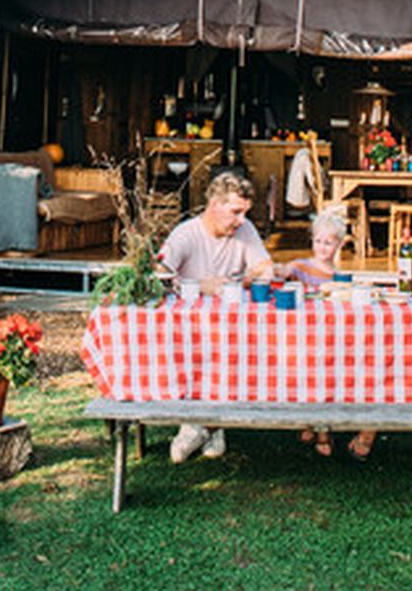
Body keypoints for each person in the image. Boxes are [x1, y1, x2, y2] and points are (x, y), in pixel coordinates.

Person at [158, 169, 276, 462]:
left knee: (250, 348)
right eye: (235, 212)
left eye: (244, 213)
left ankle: (205, 425)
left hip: (232, 329)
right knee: (204, 351)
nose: (241, 220)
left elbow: (267, 269)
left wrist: (243, 278)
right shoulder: (186, 233)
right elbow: (158, 274)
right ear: (214, 204)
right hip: (189, 330)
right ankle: (203, 424)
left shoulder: (243, 229)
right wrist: (201, 286)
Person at [286, 210, 379, 460]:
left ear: (338, 244)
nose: (322, 247)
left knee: (329, 374)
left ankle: (324, 429)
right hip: (303, 336)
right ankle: (311, 425)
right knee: (306, 374)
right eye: (318, 241)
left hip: (328, 337)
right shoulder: (300, 267)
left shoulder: (338, 277)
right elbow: (283, 274)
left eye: (328, 242)